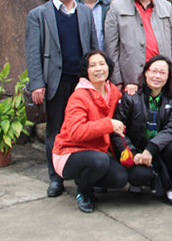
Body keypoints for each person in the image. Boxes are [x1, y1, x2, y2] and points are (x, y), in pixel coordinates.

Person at [26, 0, 98, 198]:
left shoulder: (84, 12)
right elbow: (33, 53)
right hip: (55, 83)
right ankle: (56, 178)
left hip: (81, 83)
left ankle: (82, 176)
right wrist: (37, 83)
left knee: (83, 130)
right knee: (56, 132)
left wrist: (96, 77)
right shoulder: (39, 15)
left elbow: (93, 47)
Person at [52, 51, 126, 213]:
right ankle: (83, 192)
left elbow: (124, 114)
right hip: (69, 153)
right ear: (86, 71)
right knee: (99, 161)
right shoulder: (79, 96)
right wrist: (108, 125)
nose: (98, 69)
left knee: (120, 178)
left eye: (102, 64)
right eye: (92, 65)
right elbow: (75, 132)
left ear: (108, 67)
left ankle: (86, 179)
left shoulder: (112, 91)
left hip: (95, 153)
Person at [113, 55, 172, 206]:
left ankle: (170, 187)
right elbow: (118, 129)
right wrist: (133, 153)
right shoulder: (131, 97)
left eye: (162, 73)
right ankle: (139, 181)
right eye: (154, 71)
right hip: (136, 149)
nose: (157, 76)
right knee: (140, 175)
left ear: (168, 76)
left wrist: (151, 149)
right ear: (146, 72)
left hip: (158, 148)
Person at [105, 0, 172, 92]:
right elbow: (111, 48)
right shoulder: (117, 7)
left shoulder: (165, 6)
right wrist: (116, 80)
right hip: (131, 80)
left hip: (162, 77)